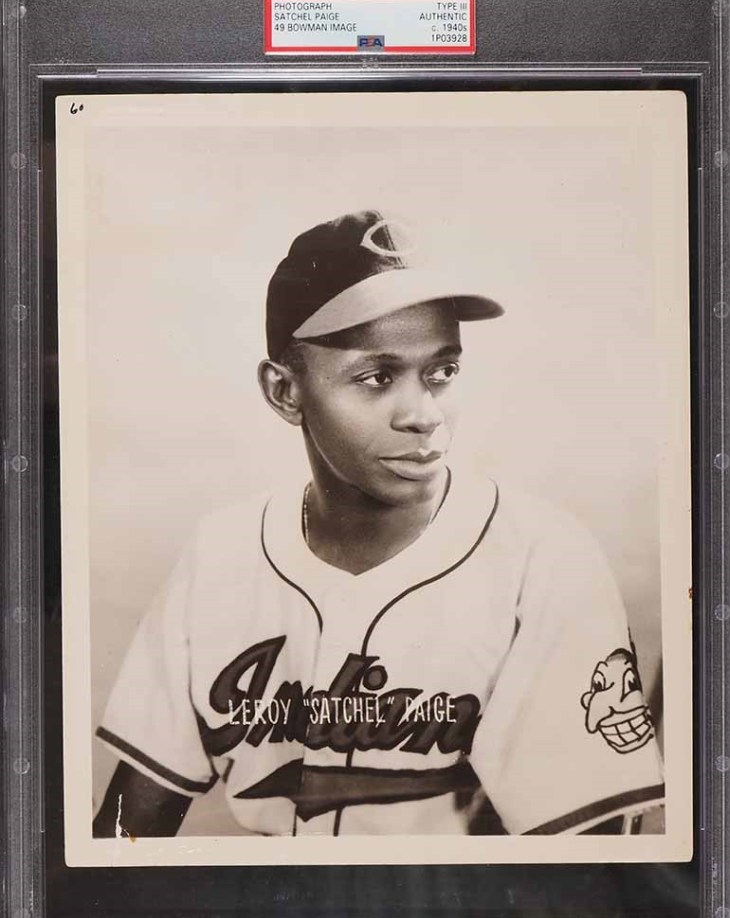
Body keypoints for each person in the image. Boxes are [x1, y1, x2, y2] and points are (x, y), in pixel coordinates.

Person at [93, 209, 664, 838]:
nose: (424, 414)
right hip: (271, 898)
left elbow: (590, 863)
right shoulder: (221, 553)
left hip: (463, 901)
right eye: (377, 377)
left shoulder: (541, 559)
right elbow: (124, 835)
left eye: (442, 372)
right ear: (285, 391)